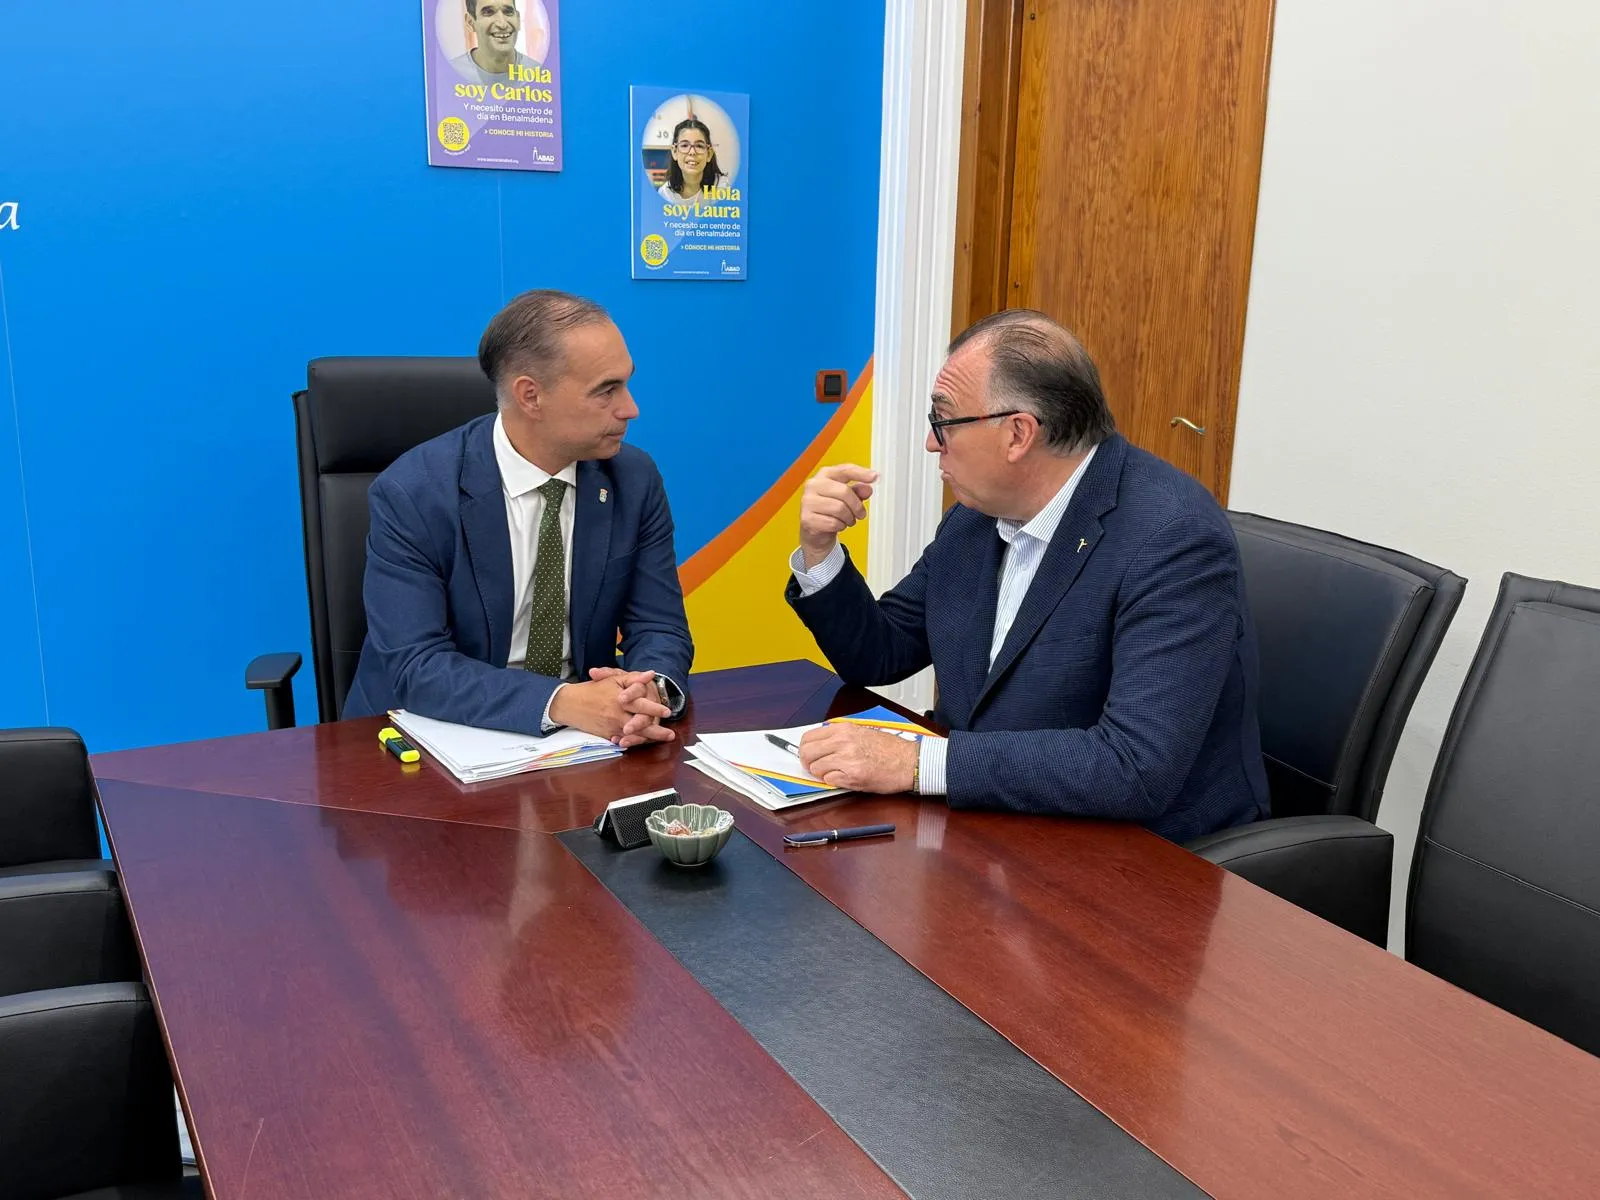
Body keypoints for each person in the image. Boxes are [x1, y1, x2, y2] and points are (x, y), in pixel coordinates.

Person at [785, 309, 1268, 843]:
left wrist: (921, 762)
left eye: (942, 422)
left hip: (1143, 858)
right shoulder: (975, 519)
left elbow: (1134, 765)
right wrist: (820, 550)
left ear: (1018, 434)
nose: (931, 443)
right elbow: (881, 653)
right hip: (997, 825)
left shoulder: (1173, 539)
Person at [343, 290, 693, 748]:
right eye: (607, 390)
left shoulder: (633, 478)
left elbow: (659, 626)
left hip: (584, 740)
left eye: (626, 384)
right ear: (531, 395)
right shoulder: (413, 493)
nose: (630, 408)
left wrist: (646, 690)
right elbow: (417, 665)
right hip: (425, 739)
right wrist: (561, 700)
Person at [449, 0, 542, 84]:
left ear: (518, 19)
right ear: (470, 22)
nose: (502, 24)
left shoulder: (541, 76)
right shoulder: (450, 74)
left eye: (508, 12)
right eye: (489, 12)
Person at [656, 118, 724, 205]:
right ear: (674, 152)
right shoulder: (665, 194)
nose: (692, 152)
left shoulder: (723, 188)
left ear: (709, 154)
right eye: (684, 145)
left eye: (699, 146)